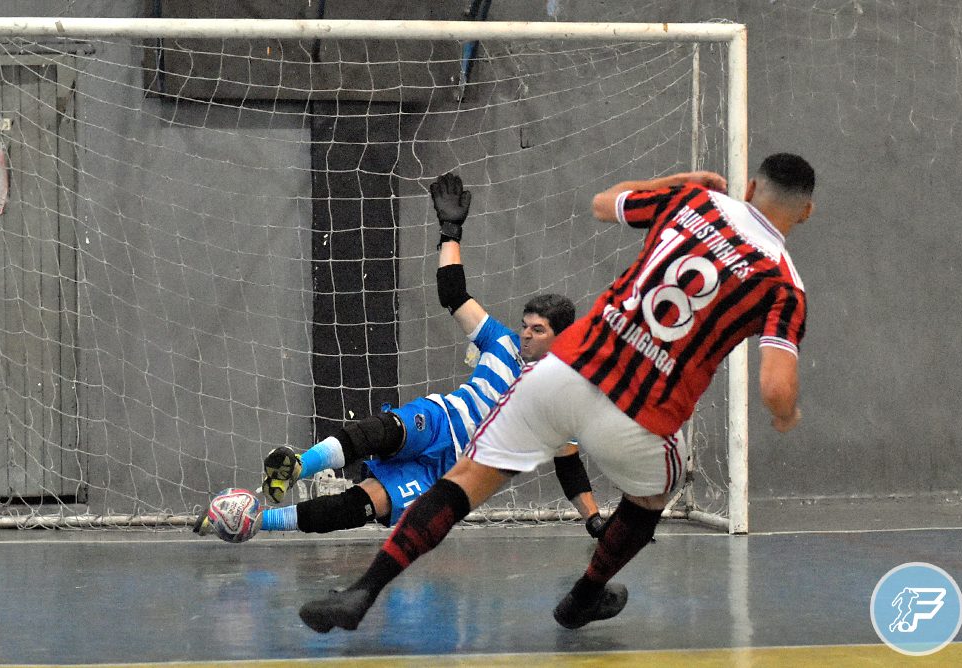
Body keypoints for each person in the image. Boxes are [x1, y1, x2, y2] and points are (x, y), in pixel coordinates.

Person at [298, 154, 815, 633]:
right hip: (641, 413)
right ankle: (585, 596)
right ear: (806, 212)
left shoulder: (695, 202)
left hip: (566, 370)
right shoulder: (783, 283)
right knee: (655, 493)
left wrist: (673, 184)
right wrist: (786, 416)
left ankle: (364, 591)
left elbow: (602, 204)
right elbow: (774, 387)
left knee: (467, 478)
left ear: (750, 187)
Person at [194, 173, 604, 541]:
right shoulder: (501, 341)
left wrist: (593, 519)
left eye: (538, 330)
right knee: (384, 430)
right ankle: (299, 465)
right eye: (525, 325)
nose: (526, 334)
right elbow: (453, 294)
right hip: (441, 418)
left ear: (561, 337)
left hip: (452, 468)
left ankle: (255, 521)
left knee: (365, 504)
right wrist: (450, 232)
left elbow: (569, 469)